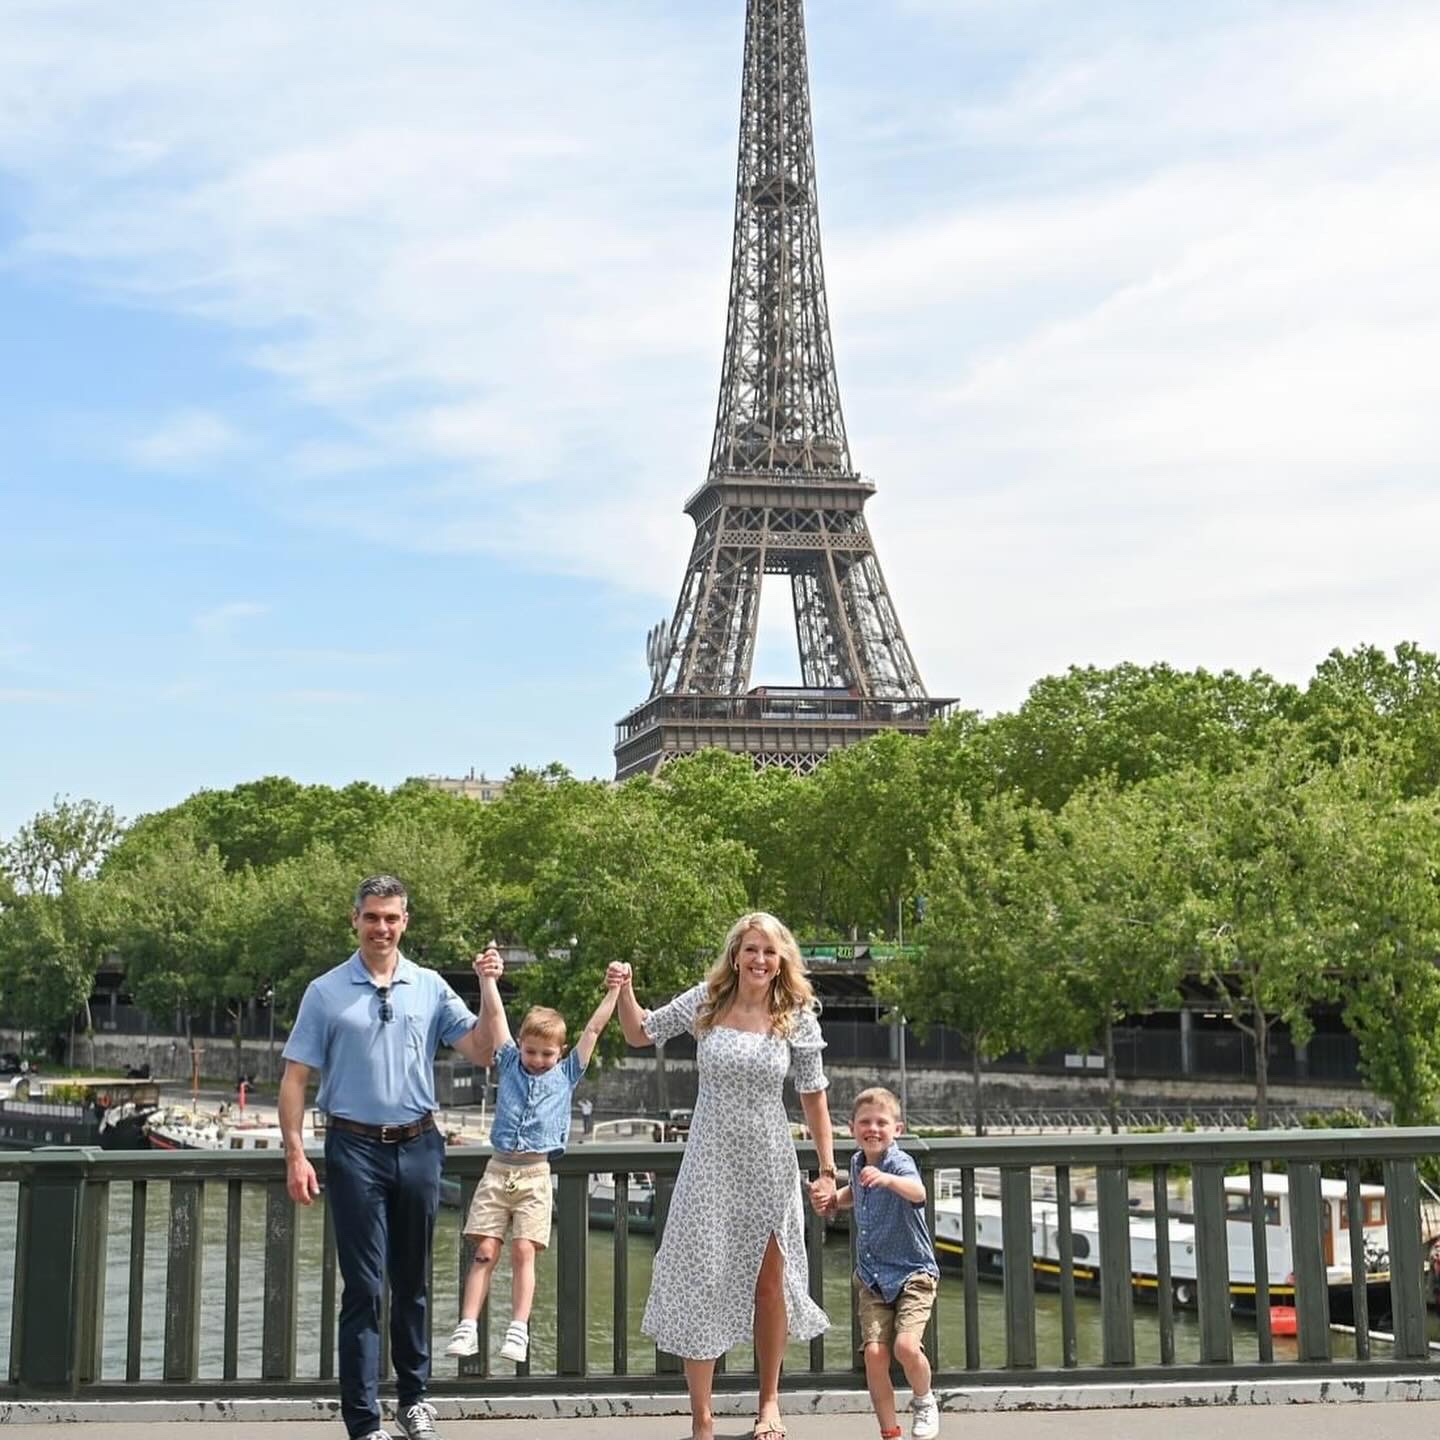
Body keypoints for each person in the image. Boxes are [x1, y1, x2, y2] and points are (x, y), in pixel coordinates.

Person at [280, 875, 498, 1440]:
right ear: (354, 920)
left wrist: (487, 985)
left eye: (391, 918)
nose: (382, 927)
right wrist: (296, 1155)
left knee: (413, 1281)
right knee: (364, 1287)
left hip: (420, 1144)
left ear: (406, 922)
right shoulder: (324, 991)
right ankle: (362, 1419)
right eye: (372, 917)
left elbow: (483, 1050)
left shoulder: (428, 987)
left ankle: (415, 1400)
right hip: (353, 1148)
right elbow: (295, 1078)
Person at [608, 912, 839, 1440]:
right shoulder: (706, 1002)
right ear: (735, 954)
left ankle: (769, 1405)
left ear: (782, 961)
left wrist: (826, 1170)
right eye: (751, 949)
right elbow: (640, 1031)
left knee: (769, 1287)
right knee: (702, 1282)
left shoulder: (795, 1014)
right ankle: (702, 1419)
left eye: (770, 952)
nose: (760, 960)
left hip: (768, 1163)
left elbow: (814, 1098)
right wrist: (624, 990)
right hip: (709, 1164)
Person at [445, 952, 623, 1364]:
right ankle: (468, 1325)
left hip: (535, 1174)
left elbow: (595, 1028)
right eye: (531, 1052)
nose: (538, 1061)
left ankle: (518, 1329)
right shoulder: (509, 1063)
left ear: (560, 1054)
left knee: (524, 1251)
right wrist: (488, 978)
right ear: (521, 1048)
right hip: (498, 1169)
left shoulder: (566, 1074)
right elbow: (496, 1021)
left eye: (546, 1054)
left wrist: (614, 990)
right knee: (485, 1251)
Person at [829, 1086, 941, 1440]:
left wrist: (889, 1179)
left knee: (906, 1347)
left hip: (913, 1273)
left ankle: (924, 1401)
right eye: (865, 1122)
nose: (873, 1129)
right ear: (851, 1129)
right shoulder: (858, 1163)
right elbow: (856, 1192)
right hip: (873, 1277)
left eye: (881, 1122)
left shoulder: (898, 1162)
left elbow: (918, 1192)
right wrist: (833, 1200)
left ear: (898, 1129)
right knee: (875, 1355)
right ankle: (889, 1431)